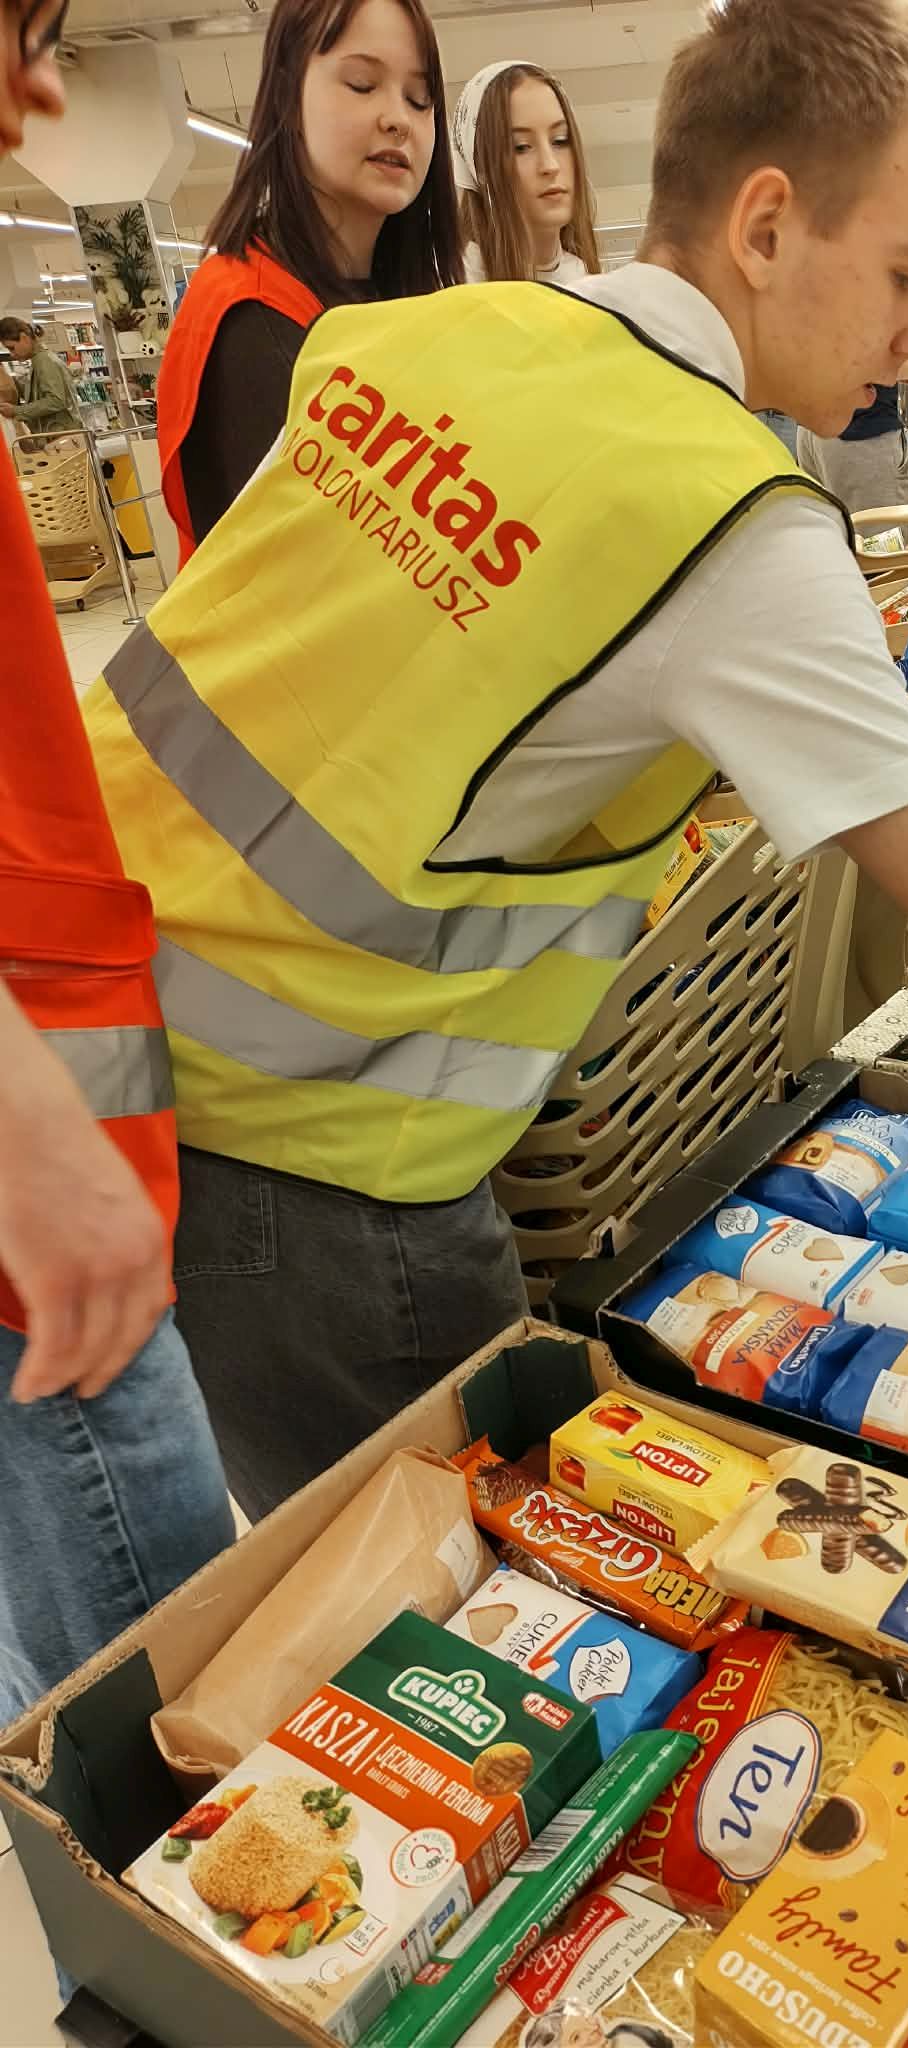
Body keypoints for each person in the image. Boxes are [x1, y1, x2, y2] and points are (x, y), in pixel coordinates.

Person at [83, 0, 908, 1519]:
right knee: (437, 1558)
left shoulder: (422, 334)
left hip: (100, 1039)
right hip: (319, 1145)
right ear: (765, 224)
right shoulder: (719, 511)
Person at [0, 0, 233, 1719]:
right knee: (162, 1711)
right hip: (36, 1156)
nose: (41, 82)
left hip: (57, 1070)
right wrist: (27, 1127)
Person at [157, 0, 459, 565]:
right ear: (287, 97)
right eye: (362, 84)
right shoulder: (251, 320)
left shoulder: (394, 300)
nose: (398, 118)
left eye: (420, 98)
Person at [452, 60, 600, 285]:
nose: (550, 165)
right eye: (521, 147)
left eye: (560, 140)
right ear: (480, 169)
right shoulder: (456, 284)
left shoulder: (585, 278)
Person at [796, 358, 908, 513]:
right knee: (878, 528)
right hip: (861, 437)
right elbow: (858, 355)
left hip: (813, 425)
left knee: (828, 527)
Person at [0, 316, 80, 435]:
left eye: (12, 348)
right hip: (60, 435)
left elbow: (56, 400)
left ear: (24, 338)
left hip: (61, 436)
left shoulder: (44, 361)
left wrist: (16, 411)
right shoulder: (40, 360)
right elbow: (38, 392)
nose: (12, 354)